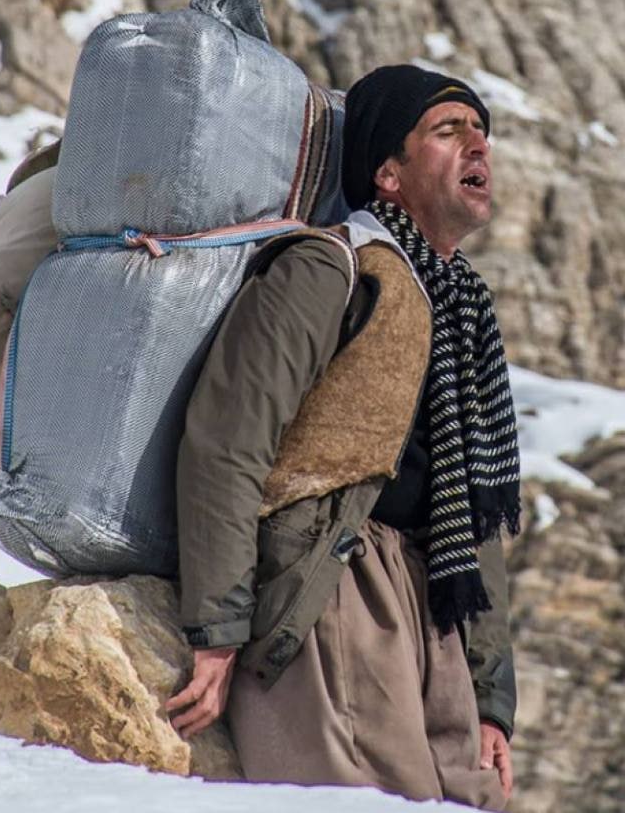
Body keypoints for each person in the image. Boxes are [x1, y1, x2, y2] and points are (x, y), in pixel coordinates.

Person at [165, 65, 521, 810]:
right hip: (335, 591)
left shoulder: (465, 308)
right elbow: (228, 441)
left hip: (435, 612)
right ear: (387, 173)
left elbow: (476, 519)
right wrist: (220, 629)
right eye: (447, 130)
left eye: (481, 131)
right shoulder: (330, 270)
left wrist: (490, 698)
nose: (476, 145)